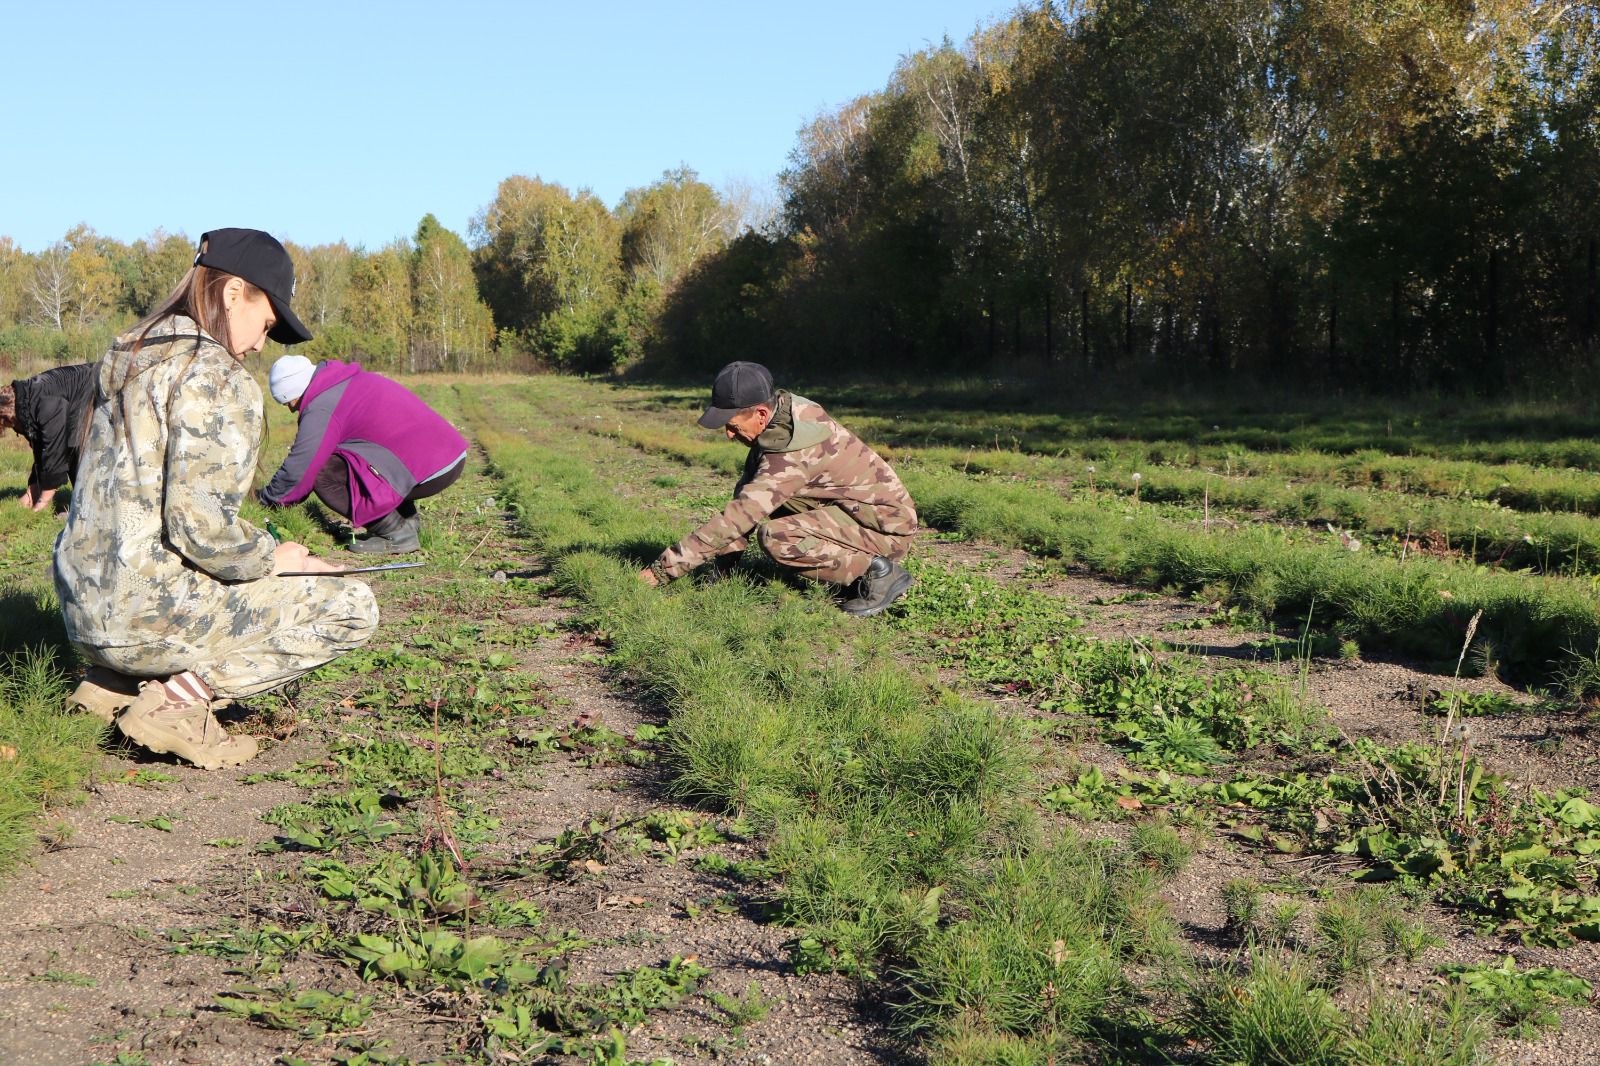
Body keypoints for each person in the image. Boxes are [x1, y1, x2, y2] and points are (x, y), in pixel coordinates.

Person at [55, 228, 379, 770]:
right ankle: (176, 706)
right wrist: (276, 558)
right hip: (142, 614)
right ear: (233, 293)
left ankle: (111, 685)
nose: (258, 346)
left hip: (83, 612)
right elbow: (201, 529)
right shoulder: (212, 375)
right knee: (350, 605)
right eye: (266, 324)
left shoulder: (128, 354)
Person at [638, 361, 917, 616]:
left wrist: (660, 572)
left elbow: (737, 519)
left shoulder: (791, 454)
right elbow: (744, 502)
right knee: (767, 503)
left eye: (733, 426)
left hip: (885, 530)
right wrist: (721, 576)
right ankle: (853, 571)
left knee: (778, 536)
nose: (728, 434)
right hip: (857, 515)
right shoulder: (779, 421)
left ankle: (878, 572)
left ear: (760, 413)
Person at [256, 355, 469, 554]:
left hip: (431, 468)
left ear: (293, 392)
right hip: (447, 458)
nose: (292, 410)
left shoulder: (322, 405)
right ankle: (407, 523)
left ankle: (396, 534)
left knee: (325, 473)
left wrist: (267, 500)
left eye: (288, 403)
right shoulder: (344, 383)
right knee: (355, 460)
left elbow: (302, 468)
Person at [0, 361, 97, 511]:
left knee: (74, 450)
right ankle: (84, 505)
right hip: (76, 406)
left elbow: (55, 450)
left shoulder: (45, 403)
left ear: (9, 418)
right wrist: (32, 490)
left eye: (8, 426)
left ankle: (91, 507)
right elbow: (41, 448)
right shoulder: (25, 402)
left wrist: (43, 501)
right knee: (71, 448)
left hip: (97, 392)